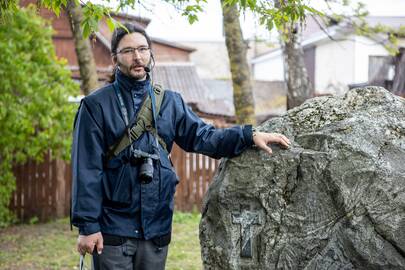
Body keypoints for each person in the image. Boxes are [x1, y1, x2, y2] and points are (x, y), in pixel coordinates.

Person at [71, 22, 291, 270]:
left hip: (156, 228)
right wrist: (88, 227)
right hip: (113, 229)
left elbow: (204, 137)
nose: (137, 56)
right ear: (114, 59)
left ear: (150, 54)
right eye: (128, 51)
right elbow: (86, 169)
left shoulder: (170, 102)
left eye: (143, 49)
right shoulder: (96, 106)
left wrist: (248, 136)